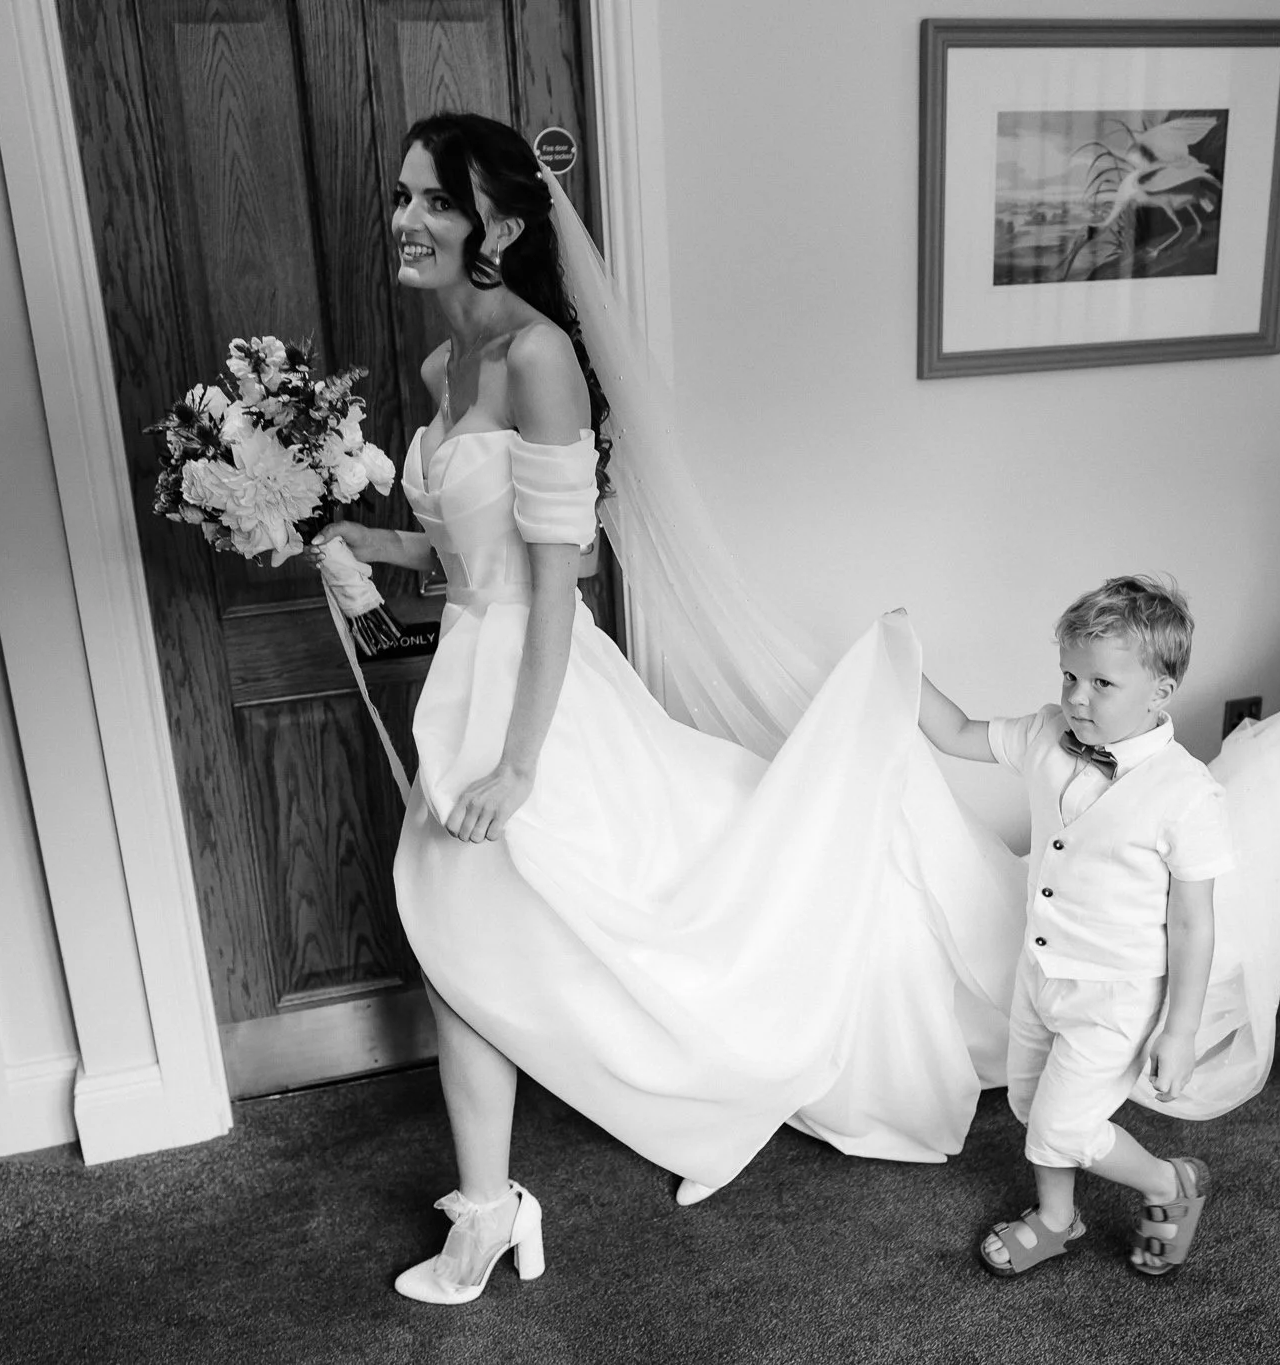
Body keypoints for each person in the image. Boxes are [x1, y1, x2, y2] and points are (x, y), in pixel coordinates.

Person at [316, 113, 1024, 1306]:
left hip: (538, 696)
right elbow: (465, 559)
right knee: (455, 944)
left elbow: (555, 581)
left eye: (433, 199)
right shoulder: (442, 372)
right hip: (469, 678)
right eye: (401, 195)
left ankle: (706, 1083)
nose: (406, 218)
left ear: (499, 224)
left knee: (605, 923)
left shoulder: (540, 357)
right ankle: (487, 1206)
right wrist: (354, 536)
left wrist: (519, 765)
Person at [918, 577, 1229, 1277]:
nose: (1076, 698)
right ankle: (1058, 1218)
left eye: (1101, 683)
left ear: (1160, 692)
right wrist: (901, 664)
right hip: (1041, 972)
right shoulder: (1044, 735)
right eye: (1068, 676)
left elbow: (1193, 922)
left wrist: (1180, 1029)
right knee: (1031, 1104)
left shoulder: (1187, 793)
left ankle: (1167, 1182)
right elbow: (955, 732)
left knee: (1065, 1124)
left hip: (1117, 993)